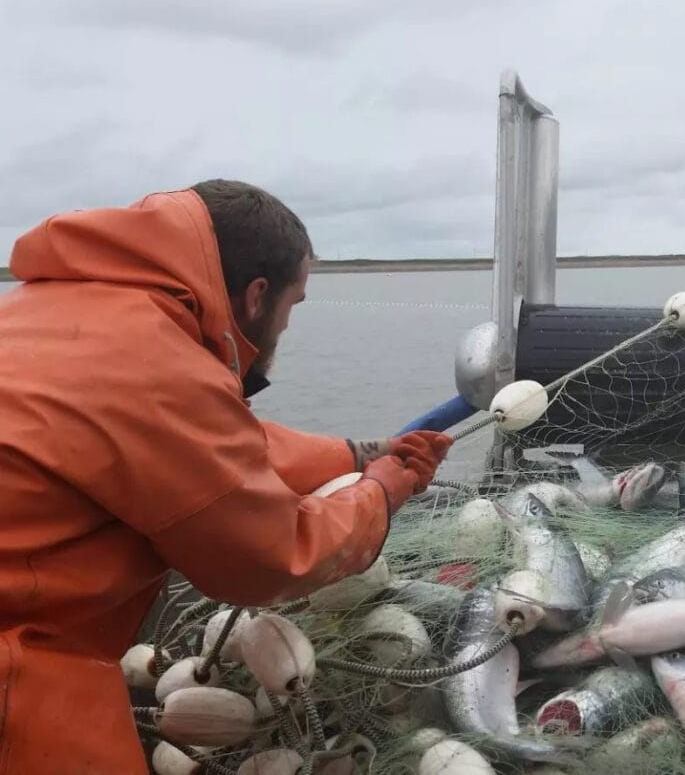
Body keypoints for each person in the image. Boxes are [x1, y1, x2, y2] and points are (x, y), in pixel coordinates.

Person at [0, 181, 454, 772]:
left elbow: (217, 449)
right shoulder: (160, 362)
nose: (284, 330)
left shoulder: (58, 311)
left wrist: (365, 452)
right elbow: (271, 557)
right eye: (293, 307)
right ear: (257, 295)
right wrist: (384, 494)